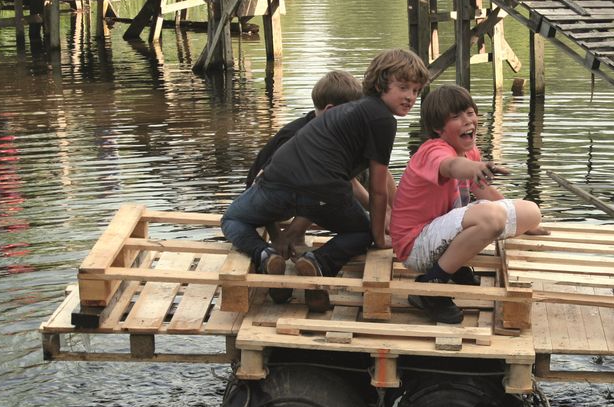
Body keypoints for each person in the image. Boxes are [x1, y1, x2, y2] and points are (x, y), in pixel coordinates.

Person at [221, 49, 428, 308]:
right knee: (359, 232)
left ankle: (264, 254)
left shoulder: (352, 111)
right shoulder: (383, 119)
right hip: (321, 192)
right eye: (403, 88)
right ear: (379, 84)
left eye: (416, 91)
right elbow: (377, 188)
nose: (410, 97)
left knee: (232, 218)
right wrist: (378, 236)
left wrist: (396, 214)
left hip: (278, 182)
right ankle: (319, 262)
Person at [389, 84, 543, 324]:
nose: (467, 121)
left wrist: (523, 224)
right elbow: (450, 166)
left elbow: (482, 190)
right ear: (439, 129)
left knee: (532, 212)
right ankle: (431, 285)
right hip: (415, 245)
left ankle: (452, 264)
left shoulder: (470, 152)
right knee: (490, 218)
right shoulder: (433, 151)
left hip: (439, 235)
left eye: (470, 113)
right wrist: (476, 169)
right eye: (456, 117)